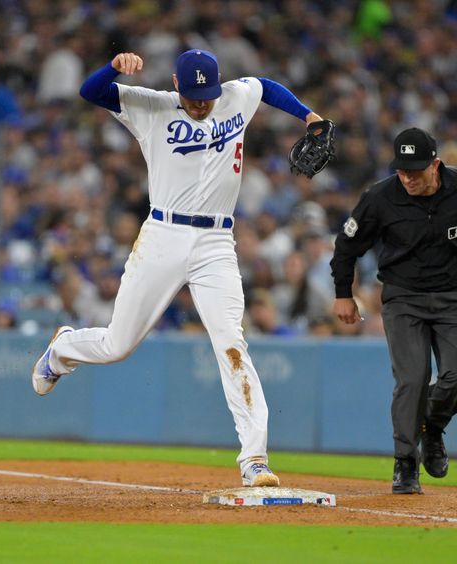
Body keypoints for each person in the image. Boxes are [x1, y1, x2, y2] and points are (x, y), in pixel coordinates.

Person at [32, 49, 327, 487]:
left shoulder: (234, 96)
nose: (201, 103)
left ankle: (254, 459)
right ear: (176, 84)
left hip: (215, 243)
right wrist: (113, 68)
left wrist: (309, 116)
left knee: (232, 343)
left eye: (207, 95)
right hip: (163, 235)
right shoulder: (151, 106)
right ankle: (64, 349)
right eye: (193, 95)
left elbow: (265, 87)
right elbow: (90, 91)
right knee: (118, 345)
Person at [330, 127, 457, 494]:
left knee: (454, 376)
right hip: (404, 299)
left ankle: (430, 429)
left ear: (436, 165)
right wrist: (343, 294)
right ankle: (405, 464)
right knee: (413, 379)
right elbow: (347, 245)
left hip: (452, 298)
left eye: (415, 171)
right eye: (402, 170)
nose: (407, 177)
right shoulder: (380, 197)